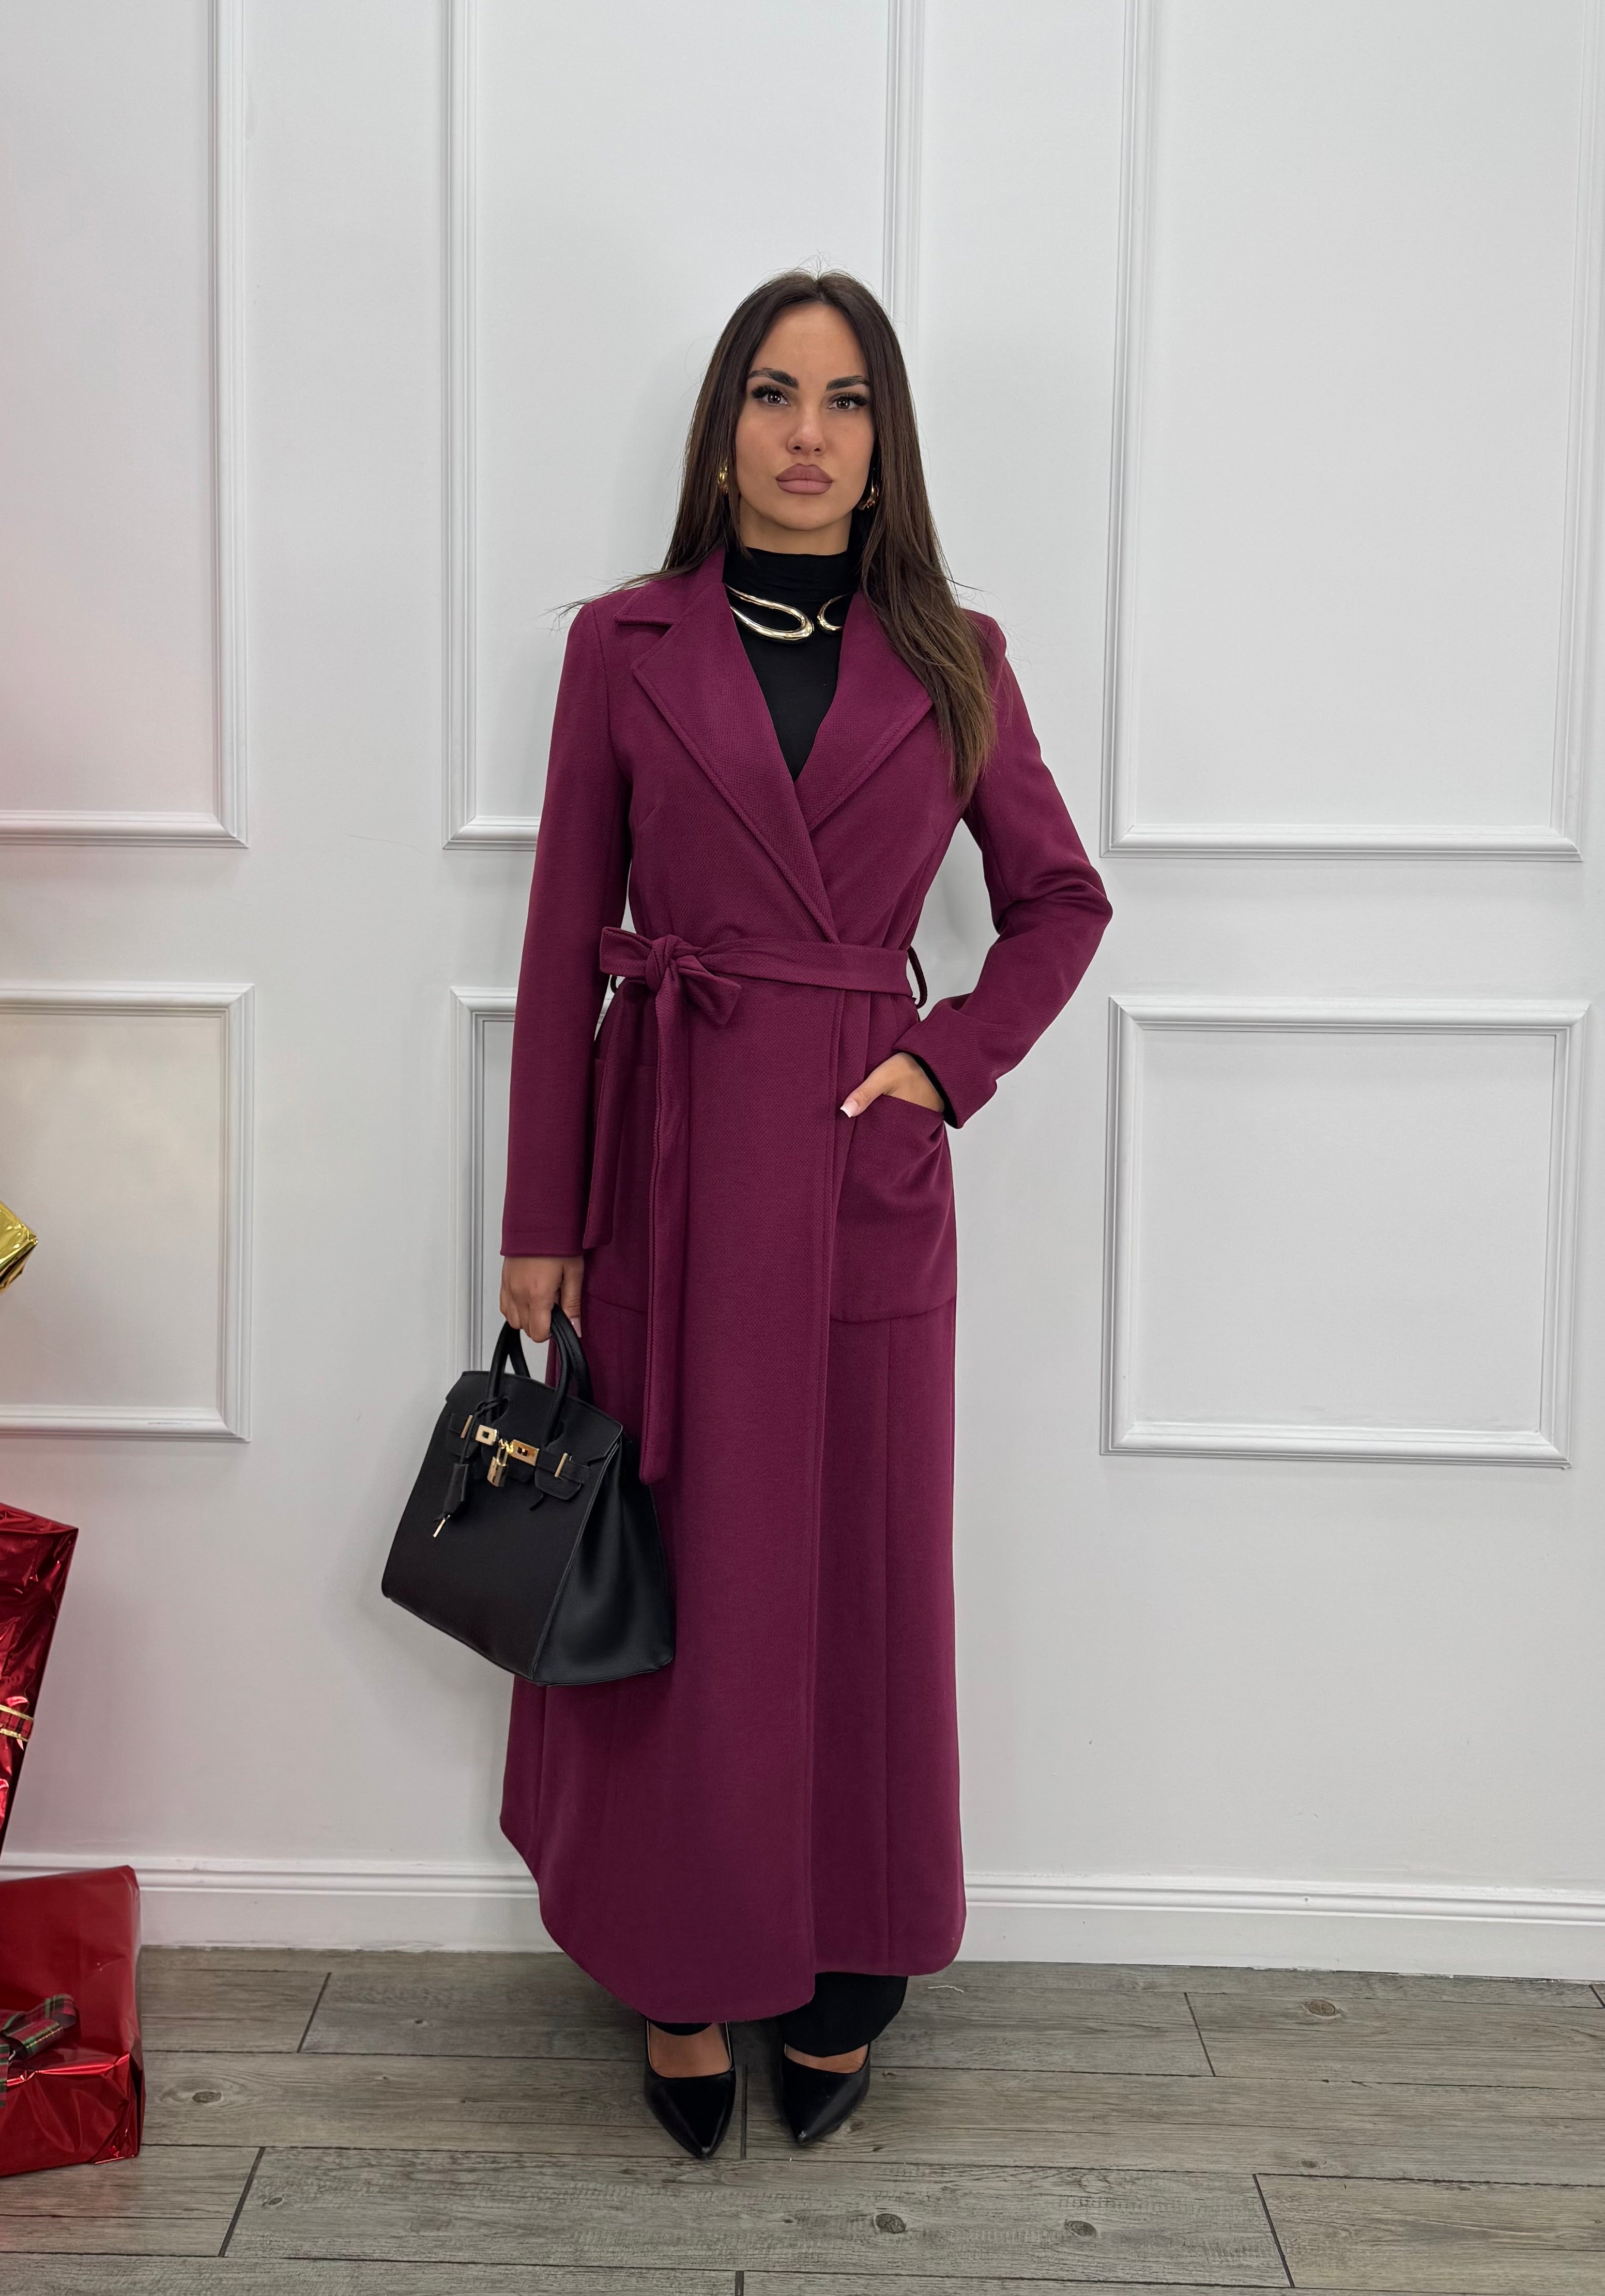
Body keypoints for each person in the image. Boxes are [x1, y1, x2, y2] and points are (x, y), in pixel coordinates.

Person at [497, 268, 1113, 2158]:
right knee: (683, 1573)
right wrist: (541, 1216)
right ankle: (680, 1958)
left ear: (884, 443)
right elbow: (561, 939)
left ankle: (847, 1957)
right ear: (723, 429)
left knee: (858, 1576)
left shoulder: (956, 655)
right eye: (774, 393)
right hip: (667, 1170)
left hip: (859, 1178)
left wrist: (942, 1062)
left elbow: (1061, 901)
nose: (808, 433)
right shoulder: (623, 642)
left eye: (847, 402)